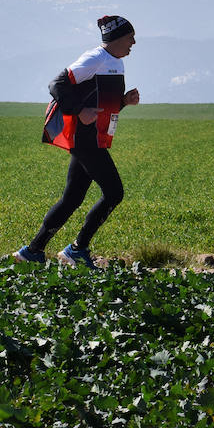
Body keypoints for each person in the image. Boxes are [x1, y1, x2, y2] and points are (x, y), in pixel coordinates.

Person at [13, 15, 141, 268]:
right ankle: (77, 248)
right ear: (115, 39)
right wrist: (79, 110)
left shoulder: (116, 63)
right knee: (114, 193)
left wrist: (124, 102)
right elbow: (56, 84)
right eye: (130, 37)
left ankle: (33, 251)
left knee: (72, 199)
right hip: (86, 140)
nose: (134, 42)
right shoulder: (94, 59)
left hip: (96, 139)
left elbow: (103, 106)